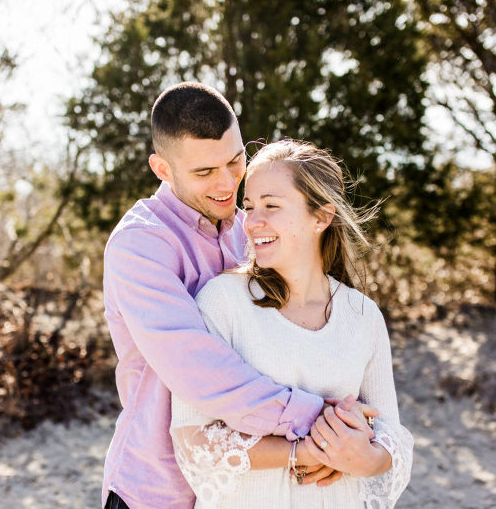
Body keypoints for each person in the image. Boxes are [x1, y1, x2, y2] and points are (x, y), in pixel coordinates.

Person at [101, 83, 373, 509]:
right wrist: (317, 423)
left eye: (234, 160)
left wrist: (342, 438)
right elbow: (199, 368)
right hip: (158, 489)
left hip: (249, 488)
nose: (228, 184)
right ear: (162, 168)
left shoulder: (256, 232)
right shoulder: (140, 246)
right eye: (205, 172)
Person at [170, 140, 413, 508]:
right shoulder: (222, 302)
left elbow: (389, 431)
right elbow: (193, 440)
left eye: (272, 206)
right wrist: (304, 451)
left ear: (321, 217)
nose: (251, 222)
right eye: (249, 206)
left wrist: (368, 459)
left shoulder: (362, 315)